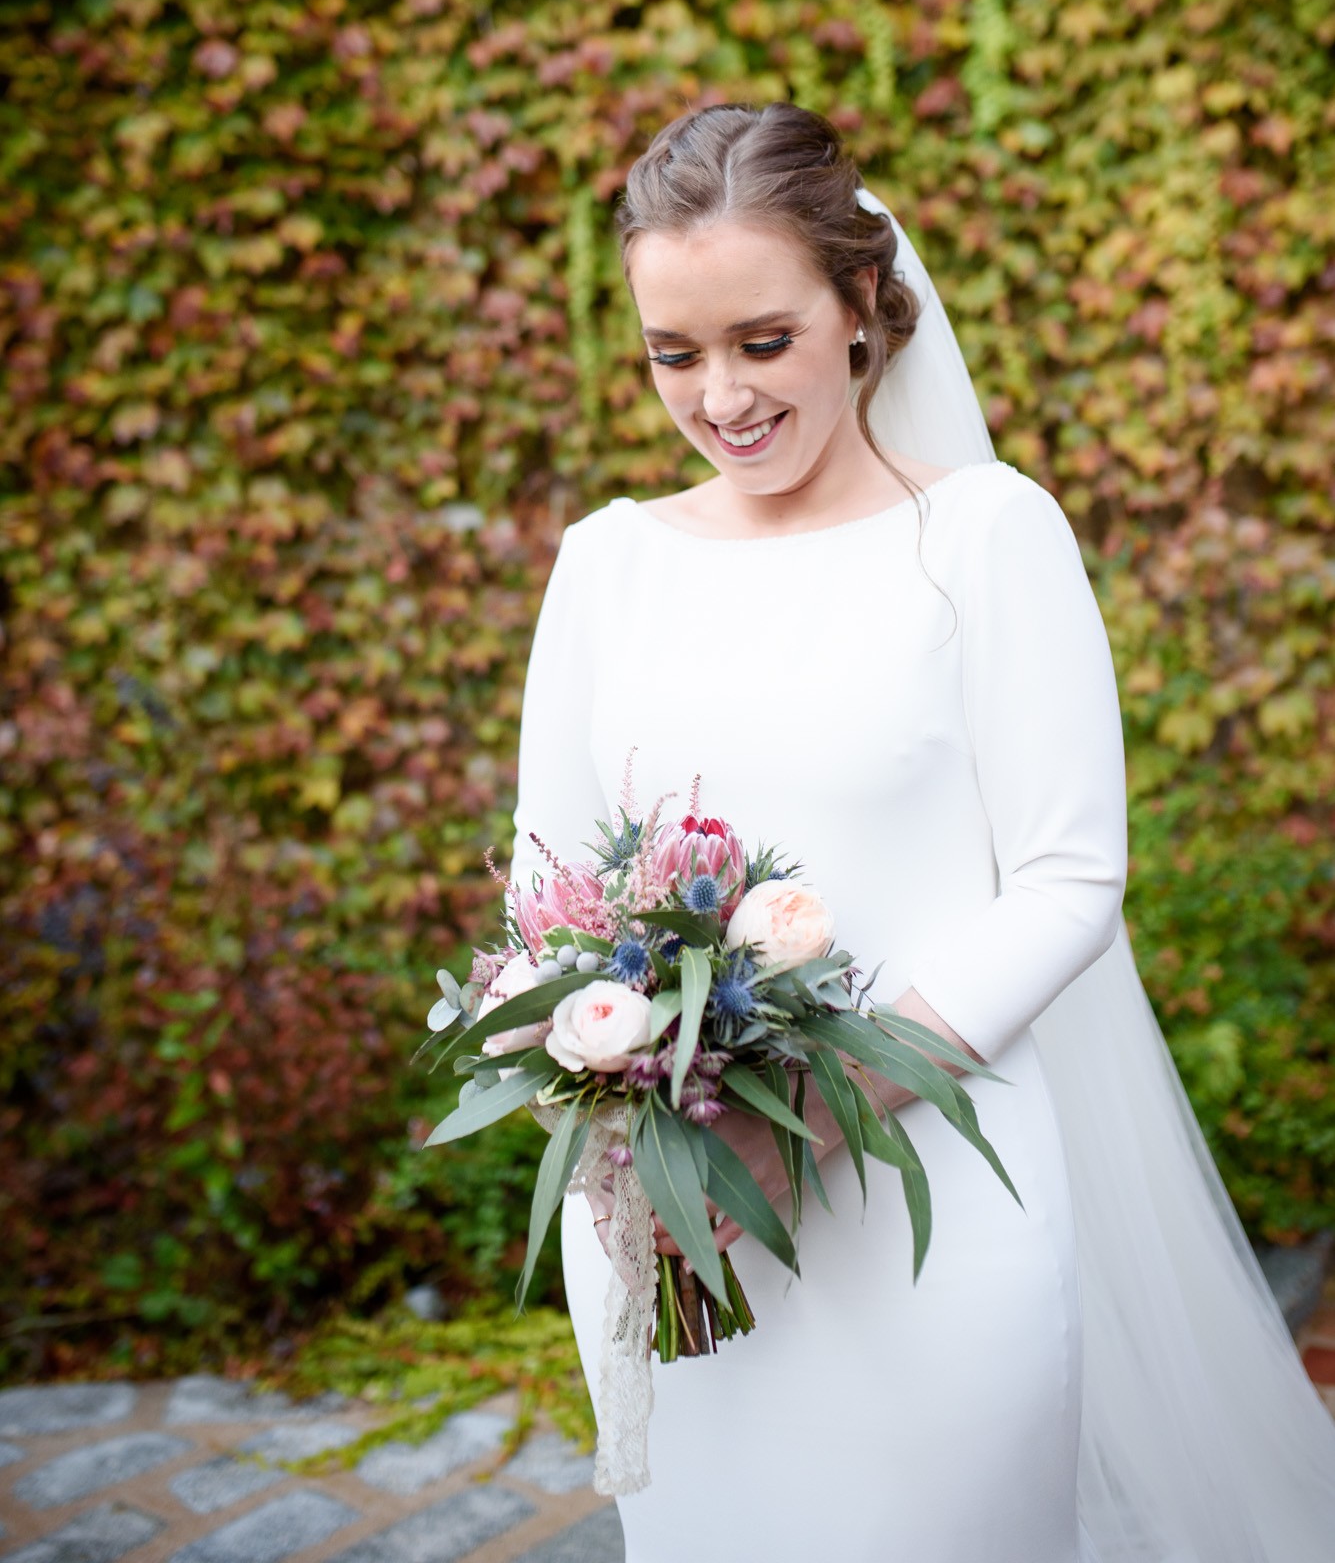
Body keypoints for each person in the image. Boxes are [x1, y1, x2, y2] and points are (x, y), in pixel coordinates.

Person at [505, 103, 1335, 1561]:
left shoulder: (985, 537)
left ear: (864, 316)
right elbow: (546, 887)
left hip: (934, 1196)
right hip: (677, 1208)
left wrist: (817, 1119)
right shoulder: (606, 566)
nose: (720, 396)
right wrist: (607, 1085)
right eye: (673, 354)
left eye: (765, 341)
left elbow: (1072, 879)